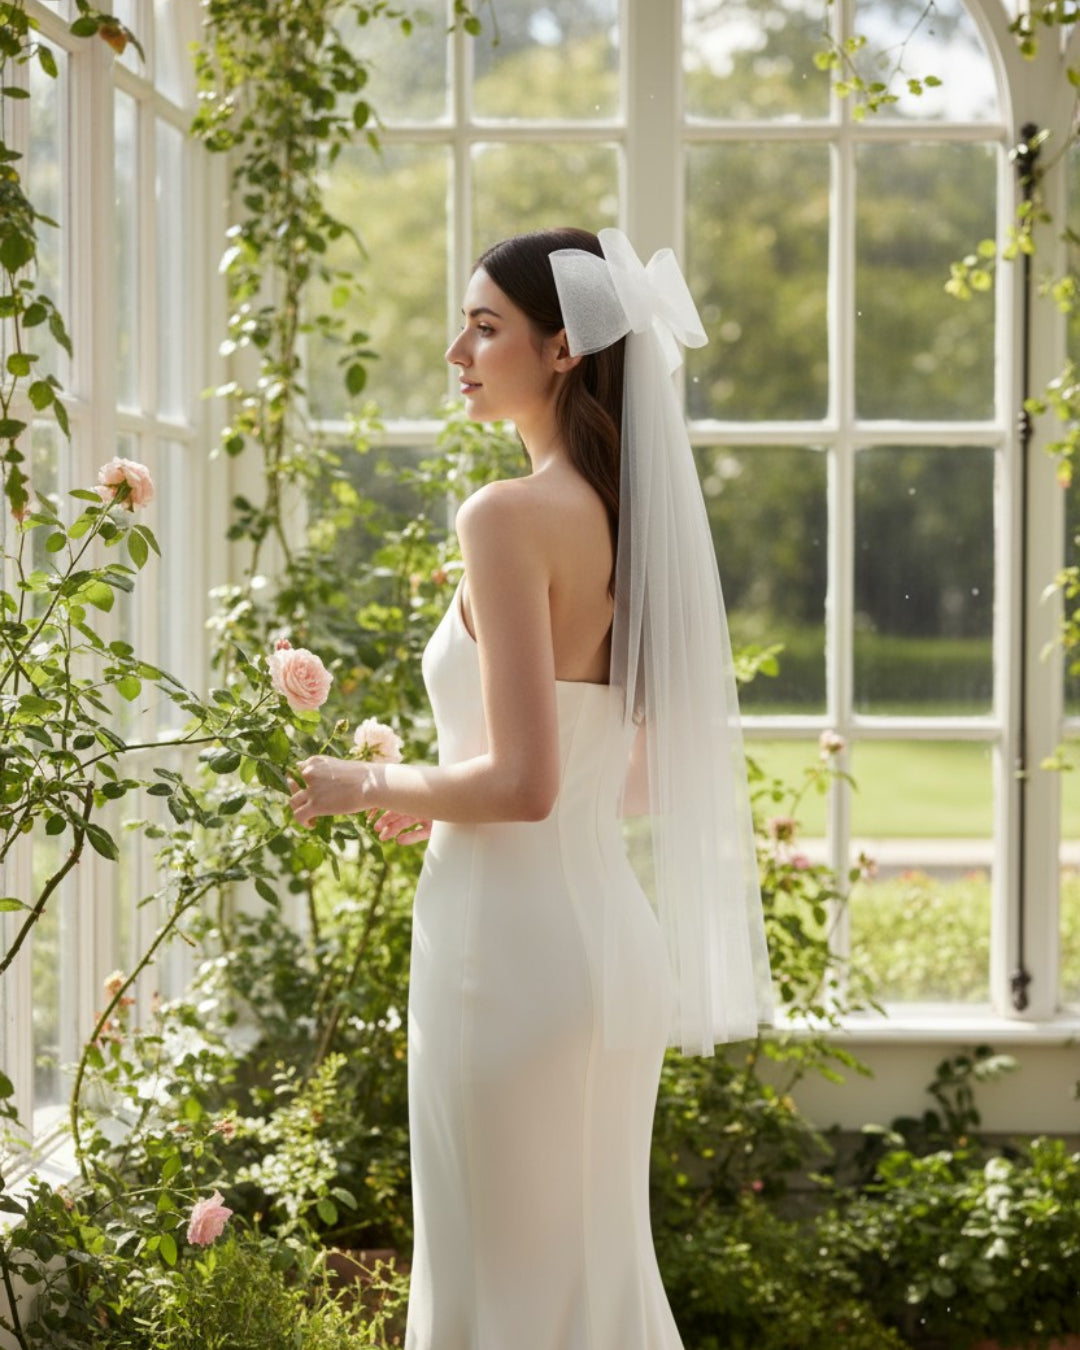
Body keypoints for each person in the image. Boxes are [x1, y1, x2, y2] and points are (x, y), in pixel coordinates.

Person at [289, 226, 773, 1350]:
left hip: (503, 959)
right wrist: (440, 789)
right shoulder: (625, 520)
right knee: (591, 1286)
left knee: (499, 1294)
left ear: (563, 350)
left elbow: (525, 784)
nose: (458, 347)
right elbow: (629, 779)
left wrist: (358, 782)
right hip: (608, 953)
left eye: (487, 325)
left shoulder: (505, 516)